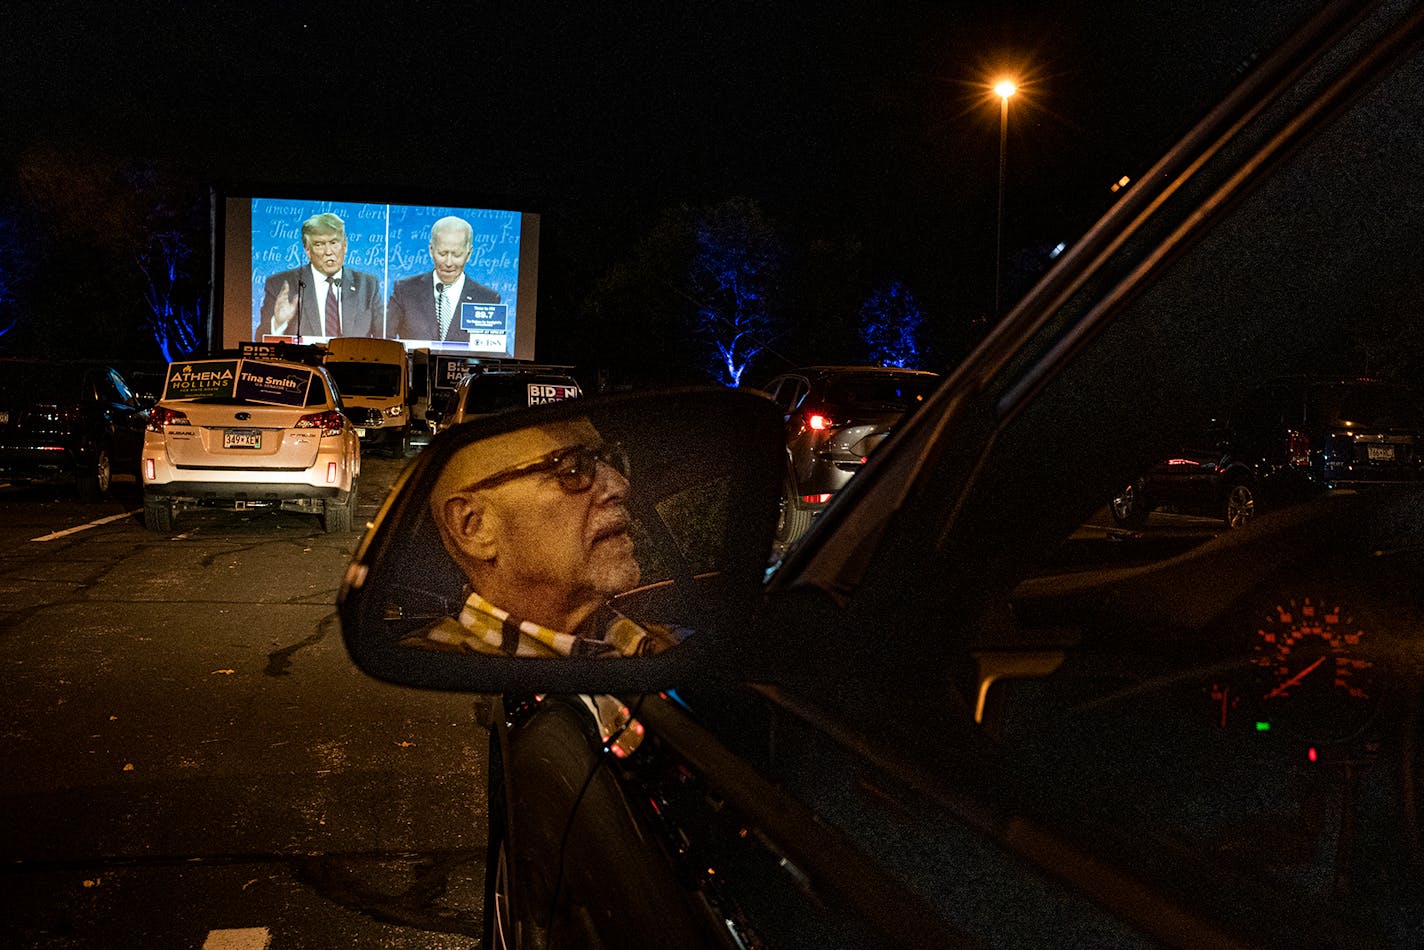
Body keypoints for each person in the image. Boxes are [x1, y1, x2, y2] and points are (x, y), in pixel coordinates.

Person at [408, 417, 682, 658]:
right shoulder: (426, 675)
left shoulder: (673, 644)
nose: (620, 486)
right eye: (572, 469)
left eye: (608, 460)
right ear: (474, 526)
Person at [259, 212, 382, 338]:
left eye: (334, 243)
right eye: (319, 245)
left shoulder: (368, 285)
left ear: (345, 245)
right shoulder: (280, 285)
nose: (328, 252)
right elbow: (259, 339)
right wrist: (279, 324)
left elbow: (385, 340)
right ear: (307, 250)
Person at [388, 215, 502, 344]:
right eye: (442, 253)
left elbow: (493, 352)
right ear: (431, 250)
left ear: (469, 254)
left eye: (457, 255)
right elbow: (385, 340)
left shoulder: (487, 299)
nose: (448, 262)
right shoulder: (405, 290)